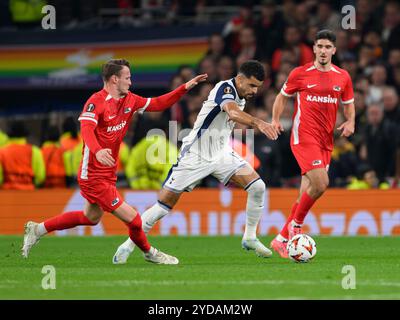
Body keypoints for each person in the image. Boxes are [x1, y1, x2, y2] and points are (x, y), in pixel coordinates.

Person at [21, 59, 207, 265]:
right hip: (92, 174)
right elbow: (86, 130)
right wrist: (98, 150)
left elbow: (157, 103)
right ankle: (150, 253)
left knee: (90, 218)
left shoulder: (130, 99)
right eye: (127, 77)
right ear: (114, 79)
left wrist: (184, 88)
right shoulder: (96, 101)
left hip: (108, 173)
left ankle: (37, 229)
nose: (130, 81)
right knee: (134, 219)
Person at [112, 60, 279, 264]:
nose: (254, 90)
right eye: (252, 85)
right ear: (241, 79)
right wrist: (258, 122)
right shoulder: (224, 88)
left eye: (258, 87)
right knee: (163, 205)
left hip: (220, 153)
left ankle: (250, 237)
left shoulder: (241, 93)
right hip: (196, 154)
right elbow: (233, 112)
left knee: (258, 187)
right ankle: (128, 245)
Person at [269, 30, 355, 258]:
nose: (324, 51)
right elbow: (281, 96)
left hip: (326, 141)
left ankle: (280, 240)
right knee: (321, 183)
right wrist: (276, 119)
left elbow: (349, 103)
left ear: (334, 50)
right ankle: (296, 225)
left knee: (305, 193)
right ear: (314, 49)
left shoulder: (343, 76)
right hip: (304, 137)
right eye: (320, 46)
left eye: (328, 47)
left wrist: (351, 121)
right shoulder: (300, 73)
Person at [0, 121, 45, 190]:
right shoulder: (35, 151)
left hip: (7, 192)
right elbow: (41, 176)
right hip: (29, 191)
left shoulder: (2, 152)